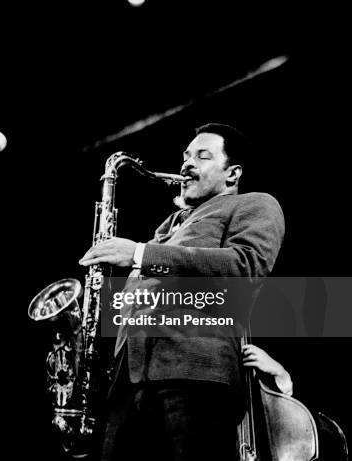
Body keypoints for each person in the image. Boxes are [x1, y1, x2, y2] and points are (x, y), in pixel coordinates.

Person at [79, 123, 285, 461]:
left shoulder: (254, 205)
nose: (187, 164)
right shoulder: (168, 226)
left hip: (195, 374)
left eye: (202, 156)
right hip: (129, 382)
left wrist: (139, 254)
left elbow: (244, 267)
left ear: (232, 174)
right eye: (186, 156)